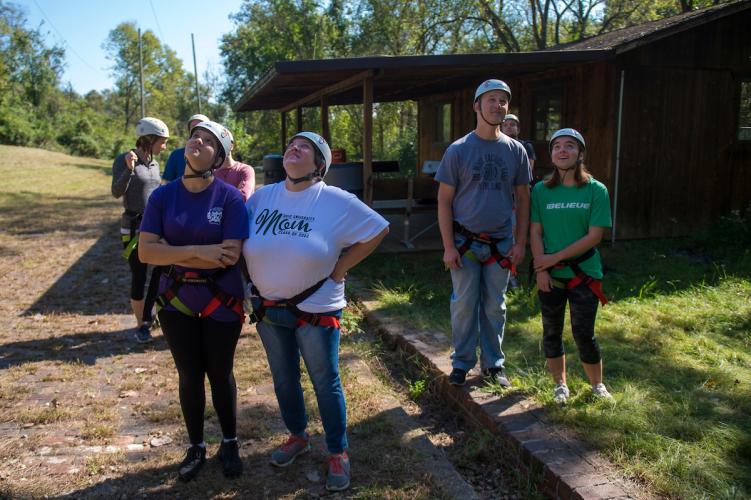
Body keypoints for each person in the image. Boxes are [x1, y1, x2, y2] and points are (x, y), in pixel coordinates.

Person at [243, 131, 389, 492]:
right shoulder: (262, 197)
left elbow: (378, 229)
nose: (294, 148)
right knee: (283, 378)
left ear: (319, 163)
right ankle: (297, 435)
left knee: (325, 381)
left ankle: (338, 451)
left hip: (316, 309)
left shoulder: (335, 200)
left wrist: (341, 268)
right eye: (291, 144)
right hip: (268, 309)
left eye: (304, 146)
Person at [138, 120, 249, 481]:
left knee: (220, 372)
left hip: (221, 298)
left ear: (218, 157)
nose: (197, 142)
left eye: (208, 141)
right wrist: (202, 250)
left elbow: (230, 255)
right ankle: (197, 444)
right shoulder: (163, 196)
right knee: (189, 374)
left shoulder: (229, 198)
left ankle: (229, 442)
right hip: (177, 298)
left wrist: (170, 251)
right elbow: (145, 252)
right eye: (194, 137)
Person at [435, 79, 531, 388]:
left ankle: (493, 365)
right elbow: (444, 200)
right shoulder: (459, 150)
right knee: (464, 305)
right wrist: (448, 246)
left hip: (501, 244)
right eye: (491, 99)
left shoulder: (515, 151)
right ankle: (462, 363)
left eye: (503, 100)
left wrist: (521, 243)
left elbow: (524, 199)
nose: (498, 105)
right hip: (464, 243)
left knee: (494, 306)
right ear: (477, 105)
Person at [529, 128, 613, 404]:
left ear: (580, 154)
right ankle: (560, 385)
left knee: (583, 333)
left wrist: (550, 260)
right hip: (550, 276)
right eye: (556, 147)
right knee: (551, 331)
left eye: (569, 146)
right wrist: (542, 270)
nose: (562, 151)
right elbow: (535, 232)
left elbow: (594, 236)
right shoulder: (540, 191)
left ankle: (597, 386)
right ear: (551, 155)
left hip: (584, 274)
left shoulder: (595, 190)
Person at [111, 117, 169, 344]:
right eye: (162, 142)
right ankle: (142, 324)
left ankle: (150, 313)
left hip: (155, 225)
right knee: (138, 274)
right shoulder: (124, 159)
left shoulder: (155, 164)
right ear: (150, 138)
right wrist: (128, 169)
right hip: (133, 227)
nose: (164, 146)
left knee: (164, 268)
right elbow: (116, 192)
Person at [502, 113, 536, 290]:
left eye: (512, 124)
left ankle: (512, 274)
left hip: (518, 196)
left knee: (515, 234)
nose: (509, 127)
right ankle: (503, 274)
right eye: (506, 124)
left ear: (518, 128)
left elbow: (526, 172)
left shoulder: (525, 147)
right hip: (500, 196)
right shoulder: (496, 146)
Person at [162, 113, 210, 183]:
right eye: (194, 127)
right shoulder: (176, 155)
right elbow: (167, 182)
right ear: (189, 131)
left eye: (202, 126)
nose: (197, 129)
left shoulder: (212, 156)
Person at [214, 129, 255, 202]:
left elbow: (242, 198)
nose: (220, 146)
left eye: (224, 142)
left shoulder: (245, 170)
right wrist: (235, 192)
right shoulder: (210, 174)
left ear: (231, 145)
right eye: (217, 143)